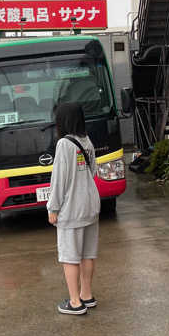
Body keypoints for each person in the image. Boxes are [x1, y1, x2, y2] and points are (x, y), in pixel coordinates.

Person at [47, 102, 101, 315]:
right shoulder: (86, 141)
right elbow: (93, 171)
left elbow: (59, 180)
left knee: (70, 256)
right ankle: (87, 296)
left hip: (71, 209)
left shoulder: (64, 144)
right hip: (90, 206)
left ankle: (74, 302)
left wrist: (53, 207)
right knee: (88, 254)